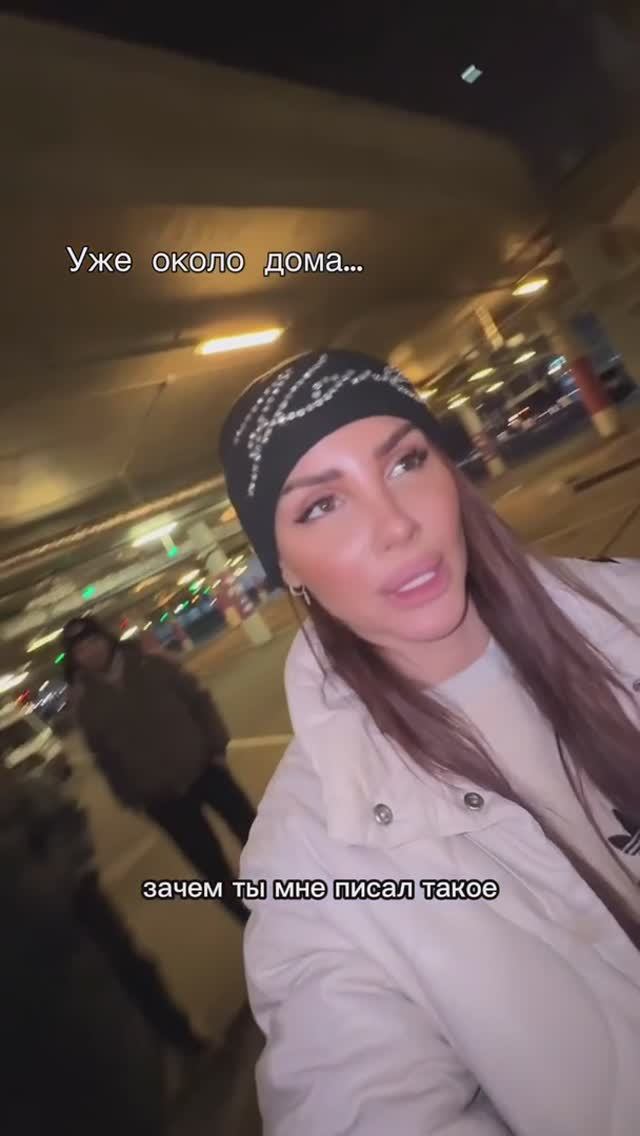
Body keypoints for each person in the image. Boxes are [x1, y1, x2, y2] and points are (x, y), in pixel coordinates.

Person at [219, 348, 640, 1136]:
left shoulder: (629, 612)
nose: (396, 525)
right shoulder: (309, 859)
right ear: (286, 570)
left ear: (450, 473)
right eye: (322, 505)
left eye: (406, 463)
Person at [0, 761, 167, 1135]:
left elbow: (68, 827)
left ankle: (176, 1031)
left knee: (127, 968)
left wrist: (65, 876)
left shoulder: (26, 798)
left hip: (72, 932)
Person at [63, 616, 254, 925]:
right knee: (210, 866)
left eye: (94, 641)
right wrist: (130, 797)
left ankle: (294, 897)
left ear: (107, 639)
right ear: (74, 659)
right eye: (81, 649)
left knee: (255, 835)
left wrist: (217, 747)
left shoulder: (150, 664)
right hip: (161, 799)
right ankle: (252, 923)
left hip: (205, 768)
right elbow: (104, 757)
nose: (90, 652)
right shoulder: (85, 703)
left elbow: (198, 700)